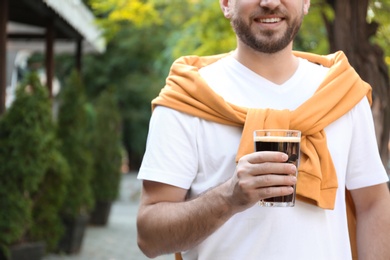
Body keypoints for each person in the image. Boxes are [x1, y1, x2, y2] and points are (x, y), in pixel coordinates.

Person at [136, 0, 390, 259]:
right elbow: (149, 237)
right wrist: (228, 197)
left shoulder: (342, 93)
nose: (269, 2)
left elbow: (373, 204)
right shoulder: (187, 99)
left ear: (305, 3)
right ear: (225, 4)